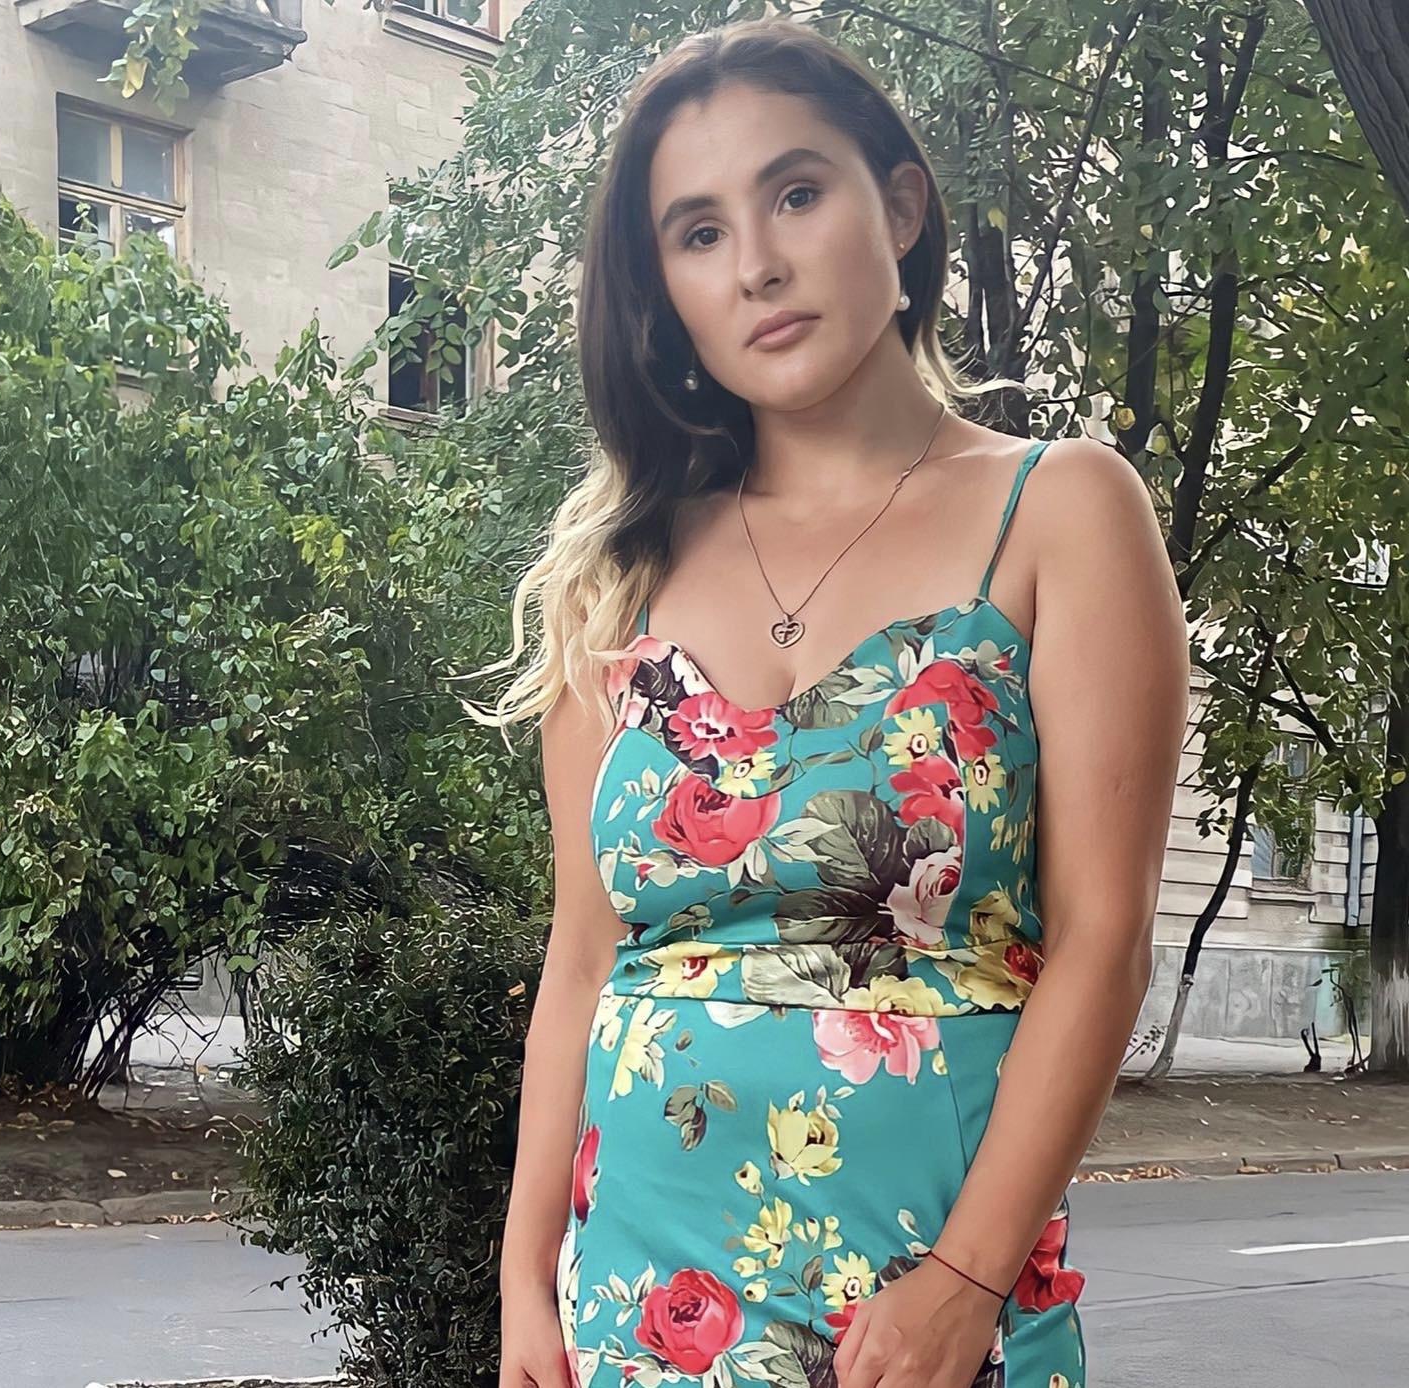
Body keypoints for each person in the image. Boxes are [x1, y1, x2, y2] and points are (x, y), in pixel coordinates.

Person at [484, 18, 1187, 1388]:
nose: (756, 262)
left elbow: (1104, 943)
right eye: (699, 233)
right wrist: (523, 1284)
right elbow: (581, 963)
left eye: (796, 193)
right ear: (665, 291)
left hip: (926, 1313)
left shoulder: (1061, 512)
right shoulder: (619, 573)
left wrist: (967, 1286)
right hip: (636, 1305)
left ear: (901, 208)